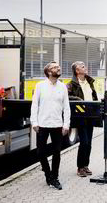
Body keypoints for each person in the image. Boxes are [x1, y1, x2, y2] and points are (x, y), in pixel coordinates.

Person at [30, 61, 71, 190]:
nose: (58, 68)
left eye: (58, 67)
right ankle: (48, 174)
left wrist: (66, 125)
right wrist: (34, 122)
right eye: (54, 67)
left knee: (56, 153)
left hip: (57, 124)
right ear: (48, 72)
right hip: (42, 124)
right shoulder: (40, 86)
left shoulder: (63, 87)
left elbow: (67, 107)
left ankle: (55, 177)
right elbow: (35, 105)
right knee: (40, 152)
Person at [67, 61, 98, 177]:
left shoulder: (89, 82)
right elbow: (66, 96)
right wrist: (78, 99)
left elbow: (94, 97)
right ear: (77, 71)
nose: (85, 68)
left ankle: (85, 166)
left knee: (89, 143)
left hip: (90, 116)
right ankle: (80, 167)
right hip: (80, 117)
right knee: (84, 142)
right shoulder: (71, 84)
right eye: (82, 66)